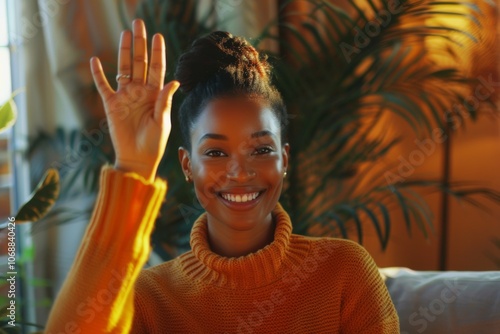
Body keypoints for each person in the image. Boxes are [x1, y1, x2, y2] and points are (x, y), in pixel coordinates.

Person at [45, 19, 400, 333]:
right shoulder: (149, 298)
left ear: (285, 159)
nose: (239, 172)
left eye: (261, 150)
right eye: (215, 152)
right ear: (187, 166)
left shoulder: (343, 273)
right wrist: (133, 167)